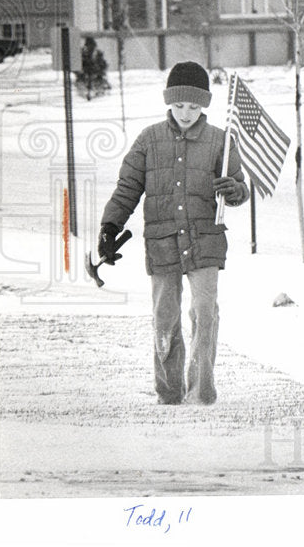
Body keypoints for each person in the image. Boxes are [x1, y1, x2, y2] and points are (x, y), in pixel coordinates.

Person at [98, 61, 249, 405]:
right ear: (169, 102)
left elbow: (240, 188)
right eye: (179, 105)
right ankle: (169, 392)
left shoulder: (220, 142)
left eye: (194, 107)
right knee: (165, 318)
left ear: (204, 106)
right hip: (163, 242)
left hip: (205, 240)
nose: (186, 113)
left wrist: (234, 190)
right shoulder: (149, 140)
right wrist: (110, 228)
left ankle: (201, 390)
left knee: (204, 313)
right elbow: (127, 189)